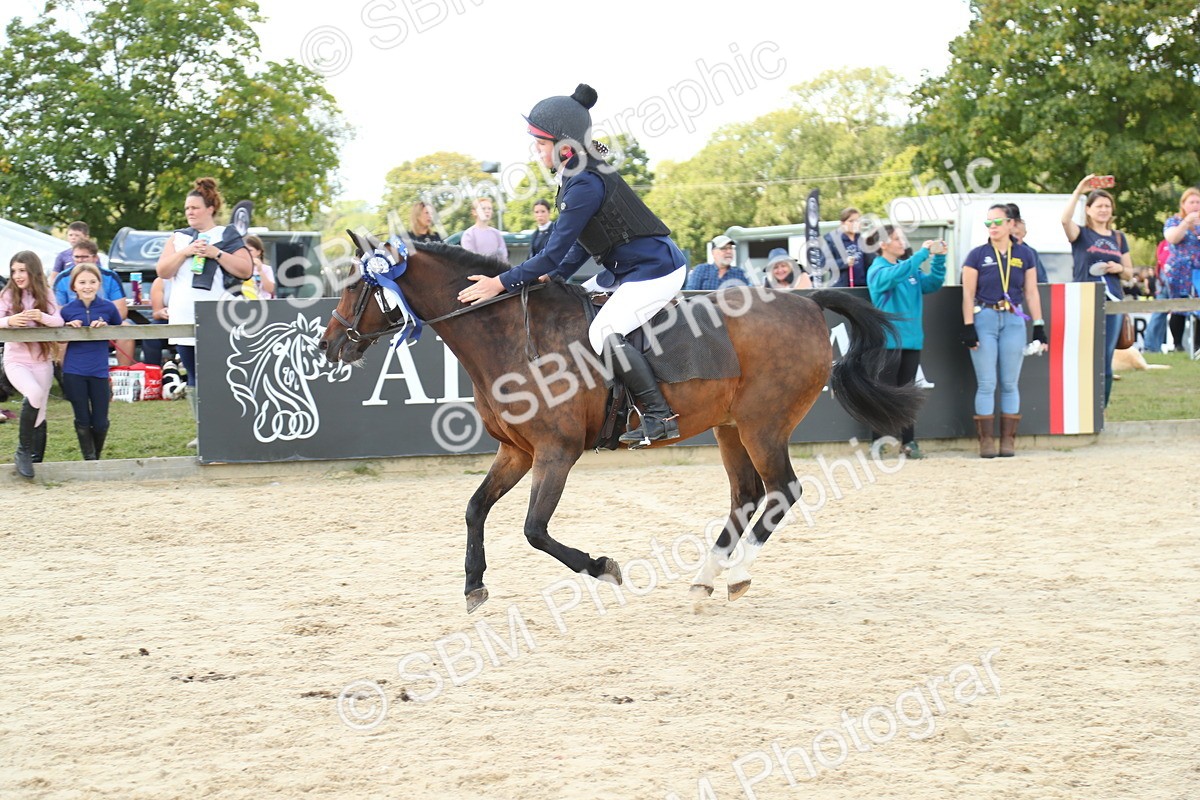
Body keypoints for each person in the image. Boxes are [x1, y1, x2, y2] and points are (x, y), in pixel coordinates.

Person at [457, 83, 687, 446]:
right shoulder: (576, 174)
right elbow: (582, 243)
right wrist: (557, 276)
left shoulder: (585, 183)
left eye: (541, 143)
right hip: (625, 271)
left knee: (602, 333)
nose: (536, 150)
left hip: (656, 271)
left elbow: (550, 253)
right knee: (573, 306)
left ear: (565, 146)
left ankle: (659, 416)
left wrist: (499, 283)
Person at [155, 176, 253, 447]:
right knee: (194, 378)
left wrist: (215, 253)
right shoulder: (177, 238)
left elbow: (246, 271)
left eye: (195, 208)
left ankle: (230, 429)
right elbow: (163, 271)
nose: (189, 212)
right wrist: (185, 252)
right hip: (183, 315)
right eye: (187, 208)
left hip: (216, 317)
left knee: (220, 375)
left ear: (210, 208)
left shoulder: (227, 235)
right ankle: (205, 433)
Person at [962, 205, 1046, 458]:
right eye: (988, 223)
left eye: (998, 221)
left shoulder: (1025, 254)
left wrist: (1039, 326)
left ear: (1012, 224)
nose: (993, 227)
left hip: (1013, 319)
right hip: (985, 317)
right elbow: (967, 292)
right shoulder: (977, 255)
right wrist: (968, 326)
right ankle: (986, 440)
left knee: (1010, 383)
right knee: (987, 383)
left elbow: (1031, 291)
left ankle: (1008, 440)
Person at [867, 228, 947, 459]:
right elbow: (895, 275)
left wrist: (940, 258)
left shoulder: (910, 270)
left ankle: (909, 442)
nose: (902, 242)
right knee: (884, 393)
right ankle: (878, 442)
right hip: (888, 342)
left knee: (907, 392)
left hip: (911, 341)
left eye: (902, 238)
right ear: (883, 245)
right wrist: (921, 255)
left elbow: (932, 283)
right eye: (896, 239)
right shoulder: (877, 270)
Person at [1062, 175, 1133, 406]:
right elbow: (1064, 220)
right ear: (1089, 210)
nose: (1103, 210)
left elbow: (1129, 273)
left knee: (1105, 358)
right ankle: (1079, 407)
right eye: (1099, 206)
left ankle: (1100, 409)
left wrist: (1119, 267)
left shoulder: (1119, 238)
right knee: (1082, 356)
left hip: (1112, 301)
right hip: (1084, 300)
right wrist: (1079, 190)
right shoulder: (1081, 234)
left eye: (1107, 206)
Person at [0, 251, 64, 478]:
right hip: (15, 360)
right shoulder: (8, 294)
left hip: (42, 361)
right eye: (14, 271)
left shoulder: (45, 292)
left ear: (33, 271)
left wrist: (41, 317)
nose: (17, 275)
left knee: (40, 410)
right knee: (34, 393)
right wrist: (9, 321)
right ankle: (22, 452)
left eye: (22, 270)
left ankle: (36, 460)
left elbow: (59, 320)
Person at [60, 263, 123, 460]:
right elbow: (57, 334)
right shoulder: (67, 310)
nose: (87, 286)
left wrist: (105, 327)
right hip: (74, 371)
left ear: (99, 284)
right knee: (83, 418)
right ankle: (90, 459)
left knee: (101, 421)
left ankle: (97, 455)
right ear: (74, 286)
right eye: (82, 282)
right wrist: (68, 327)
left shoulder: (108, 307)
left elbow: (120, 328)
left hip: (99, 371)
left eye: (92, 282)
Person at [54, 238, 132, 366]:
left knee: (126, 328)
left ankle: (123, 374)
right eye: (76, 257)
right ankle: (65, 376)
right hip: (74, 325)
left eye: (84, 257)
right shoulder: (62, 278)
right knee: (61, 332)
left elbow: (121, 311)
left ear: (95, 258)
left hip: (105, 322)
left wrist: (105, 322)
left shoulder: (110, 276)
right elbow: (58, 311)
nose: (80, 260)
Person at [1162, 187, 1200, 354]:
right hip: (1179, 270)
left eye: (1198, 202)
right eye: (1191, 202)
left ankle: (1198, 346)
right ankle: (1178, 345)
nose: (1195, 205)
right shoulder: (1174, 222)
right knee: (1179, 305)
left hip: (1198, 269)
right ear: (1183, 205)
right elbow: (1172, 238)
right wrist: (1186, 223)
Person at [824, 207, 870, 288]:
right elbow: (824, 263)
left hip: (862, 286)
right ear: (842, 223)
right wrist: (844, 262)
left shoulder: (862, 240)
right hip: (842, 287)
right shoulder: (831, 240)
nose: (855, 224)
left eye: (858, 221)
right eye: (851, 221)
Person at [683, 235, 749, 290]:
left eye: (730, 248)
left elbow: (748, 297)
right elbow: (690, 295)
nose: (729, 251)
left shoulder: (740, 273)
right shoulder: (701, 270)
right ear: (713, 252)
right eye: (724, 248)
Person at [1007, 203, 1048, 283]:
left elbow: (1042, 282)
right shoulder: (993, 251)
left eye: (1017, 234)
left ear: (1024, 233)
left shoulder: (1030, 253)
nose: (1014, 238)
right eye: (1011, 235)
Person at [461, 197, 508, 261]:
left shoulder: (496, 233)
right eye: (483, 208)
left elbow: (504, 256)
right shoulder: (469, 234)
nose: (487, 211)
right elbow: (470, 259)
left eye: (489, 208)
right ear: (474, 212)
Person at [243, 235, 276, 299]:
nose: (247, 253)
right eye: (245, 250)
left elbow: (270, 289)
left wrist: (260, 271)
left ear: (258, 252)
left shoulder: (266, 269)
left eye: (250, 250)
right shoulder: (239, 267)